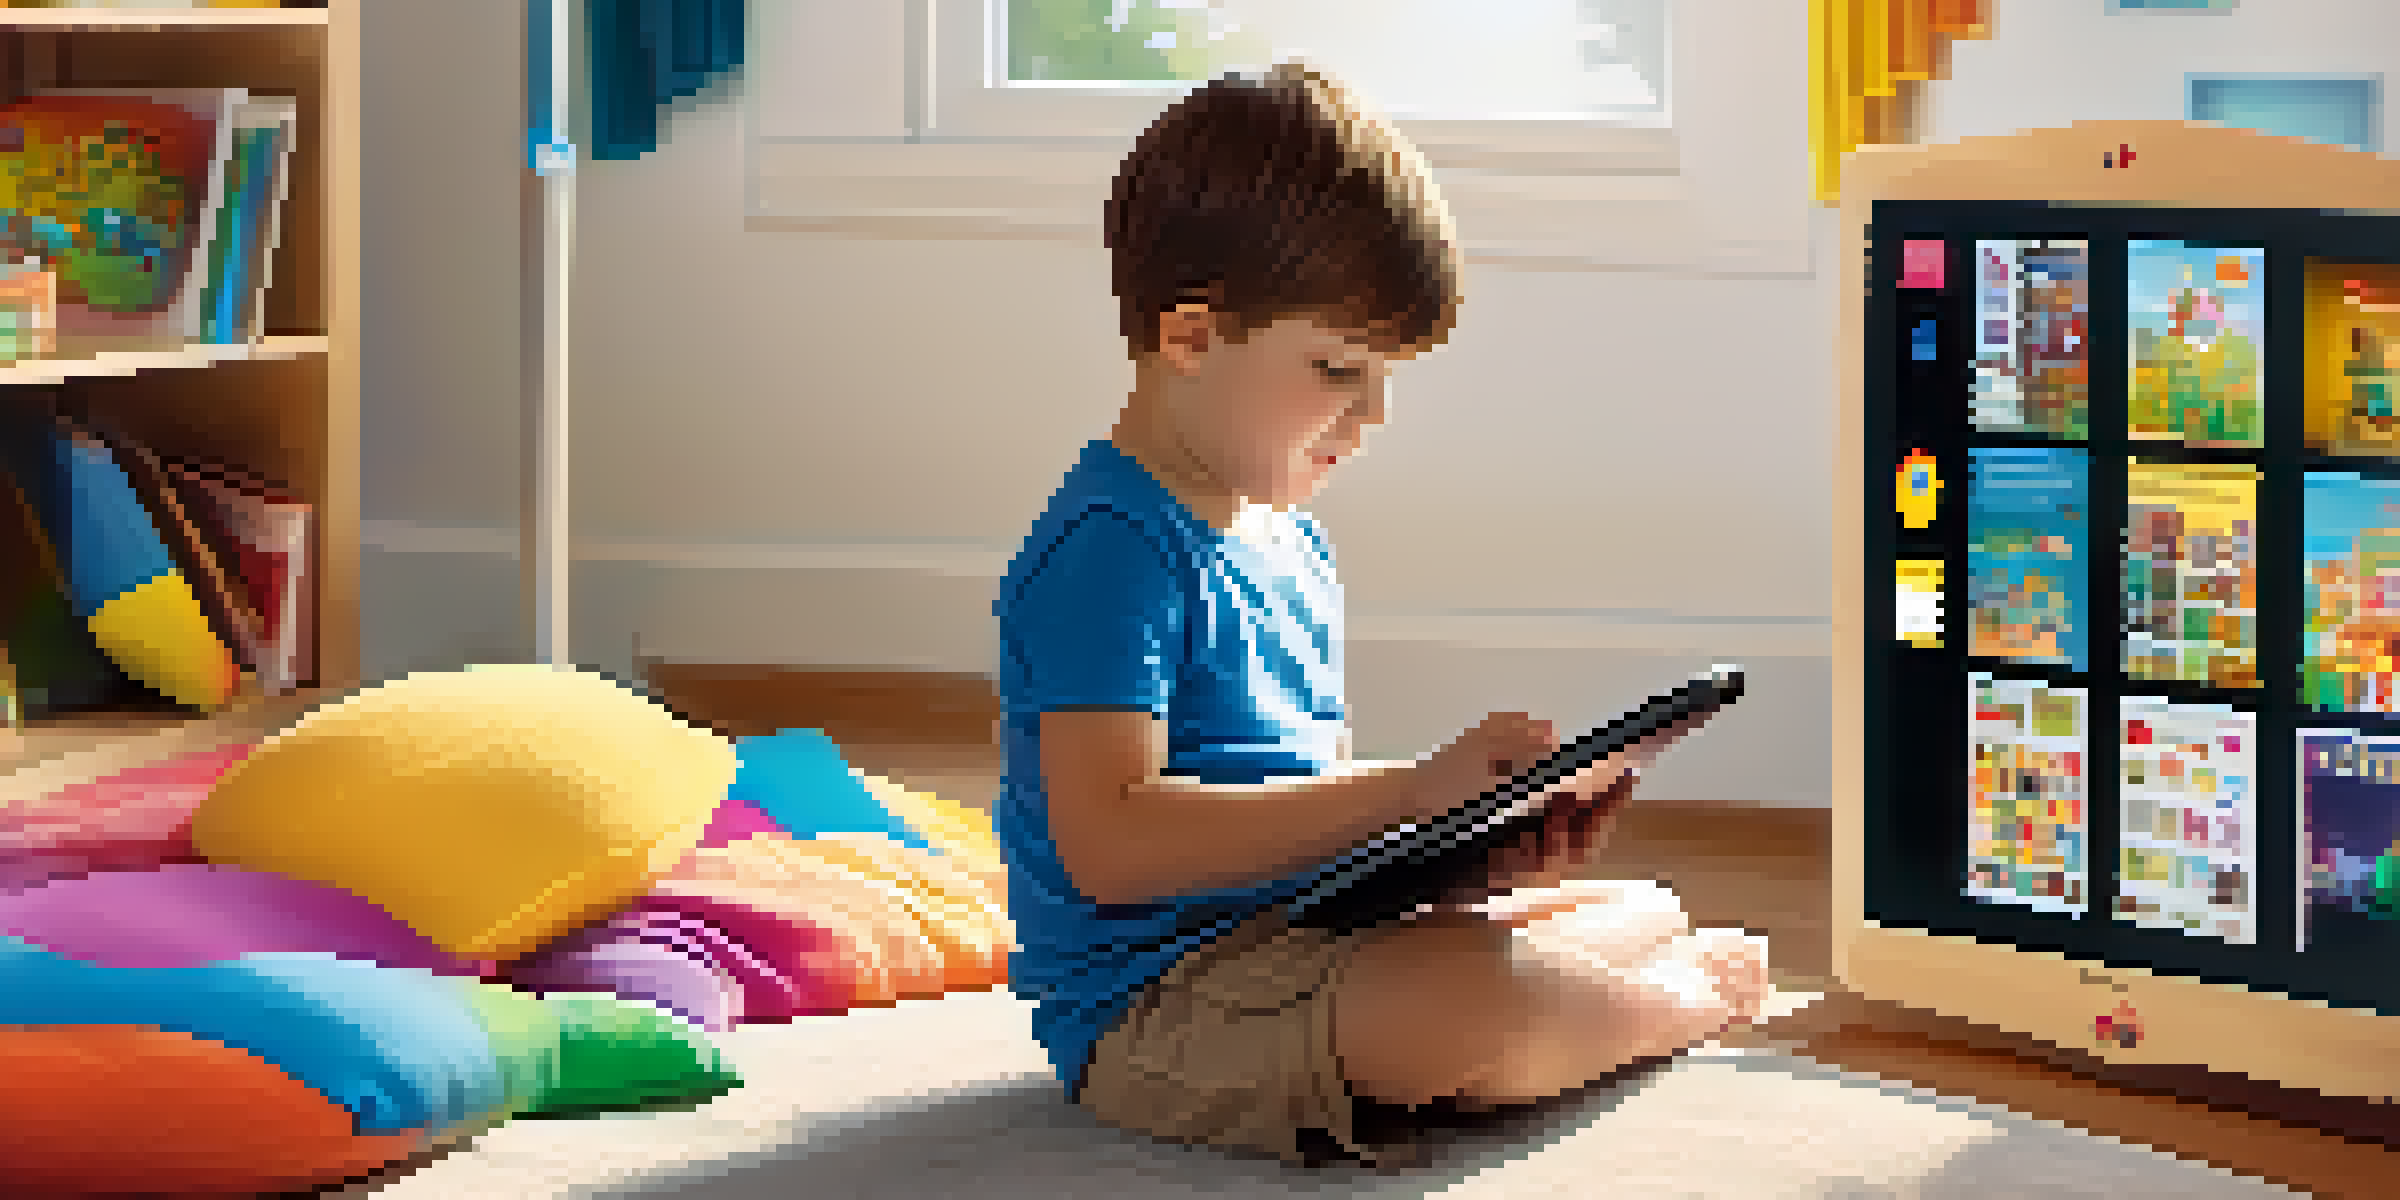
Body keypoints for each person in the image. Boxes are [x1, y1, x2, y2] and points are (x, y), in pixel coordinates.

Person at [993, 60, 1770, 1169]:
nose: (1373, 415)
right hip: (1160, 1005)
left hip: (1299, 941)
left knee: (1636, 906)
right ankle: (1665, 1012)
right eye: (1338, 369)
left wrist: (1451, 858)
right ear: (1191, 337)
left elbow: (1304, 827)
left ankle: (1567, 1001)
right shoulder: (1108, 551)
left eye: (1386, 376)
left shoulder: (1288, 539)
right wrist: (1409, 788)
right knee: (1479, 998)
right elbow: (1111, 847)